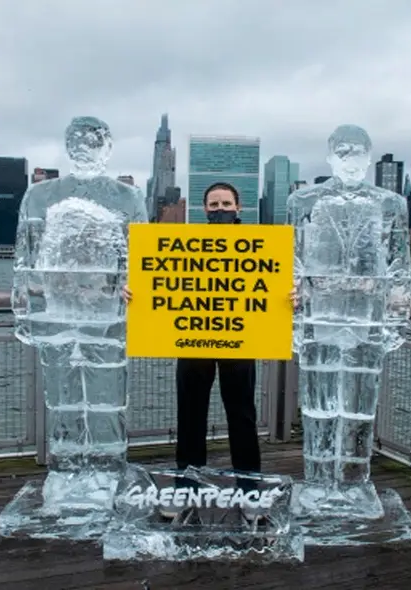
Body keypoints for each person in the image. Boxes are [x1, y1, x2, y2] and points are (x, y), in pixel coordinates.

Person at [122, 182, 296, 524]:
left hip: (239, 341)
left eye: (225, 203)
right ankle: (186, 490)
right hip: (193, 341)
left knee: (242, 417)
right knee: (190, 416)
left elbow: (278, 283)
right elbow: (159, 278)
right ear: (205, 209)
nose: (220, 209)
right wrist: (134, 292)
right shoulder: (185, 245)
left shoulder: (264, 247)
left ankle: (250, 492)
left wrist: (290, 296)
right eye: (214, 204)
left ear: (238, 208)